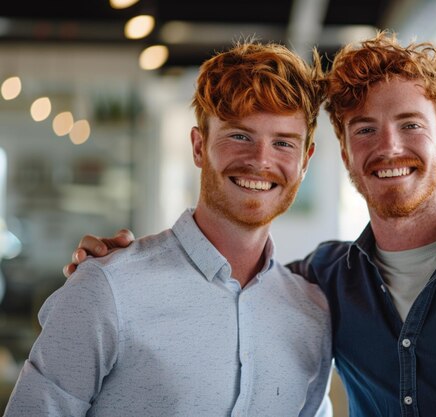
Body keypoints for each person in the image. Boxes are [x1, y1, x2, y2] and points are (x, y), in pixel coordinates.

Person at [64, 32, 436, 416]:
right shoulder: (325, 280)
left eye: (411, 125)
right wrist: (122, 271)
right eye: (364, 129)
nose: (389, 148)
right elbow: (228, 288)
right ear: (341, 151)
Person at [4, 41, 333, 416]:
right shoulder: (106, 288)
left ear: (305, 160)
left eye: (283, 143)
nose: (260, 160)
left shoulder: (312, 314)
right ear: (198, 146)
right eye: (239, 136)